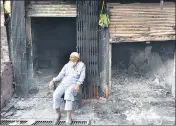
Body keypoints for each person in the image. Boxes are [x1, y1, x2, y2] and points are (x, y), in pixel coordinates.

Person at [49, 52, 86, 125]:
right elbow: (60, 75)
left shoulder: (82, 65)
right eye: (71, 58)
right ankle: (58, 114)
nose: (72, 60)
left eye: (74, 58)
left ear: (77, 59)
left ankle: (68, 116)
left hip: (73, 84)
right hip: (64, 83)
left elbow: (82, 77)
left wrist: (77, 84)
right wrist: (53, 80)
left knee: (68, 94)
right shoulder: (66, 65)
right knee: (56, 94)